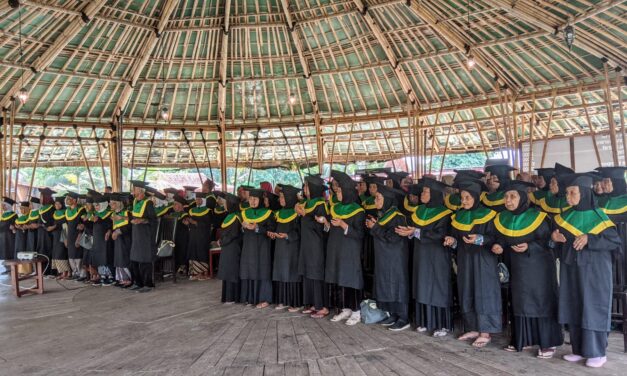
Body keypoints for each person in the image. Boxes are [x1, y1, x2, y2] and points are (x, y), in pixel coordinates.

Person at [551, 173, 622, 368]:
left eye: (572, 193)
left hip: (595, 272)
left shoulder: (599, 216)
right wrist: (555, 239)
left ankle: (597, 352)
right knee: (574, 305)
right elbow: (556, 242)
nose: (568, 197)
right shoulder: (566, 217)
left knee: (592, 307)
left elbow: (615, 242)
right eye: (567, 193)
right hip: (571, 270)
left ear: (583, 193)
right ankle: (579, 349)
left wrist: (590, 238)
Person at [492, 180, 563, 358]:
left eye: (512, 196)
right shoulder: (503, 218)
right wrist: (498, 246)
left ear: (523, 197)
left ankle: (547, 343)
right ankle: (523, 339)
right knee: (520, 302)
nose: (508, 200)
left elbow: (548, 242)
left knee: (540, 302)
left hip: (539, 268)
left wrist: (530, 247)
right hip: (517, 267)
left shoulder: (539, 216)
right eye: (506, 196)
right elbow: (500, 237)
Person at [444, 179, 501, 348]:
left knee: (483, 293)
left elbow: (497, 238)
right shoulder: (458, 215)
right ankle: (473, 328)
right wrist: (452, 241)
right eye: (462, 197)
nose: (464, 201)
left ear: (476, 197)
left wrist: (481, 239)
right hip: (464, 258)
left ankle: (485, 332)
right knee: (466, 290)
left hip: (483, 260)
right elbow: (456, 239)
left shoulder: (489, 215)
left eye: (467, 197)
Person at [397, 177, 454, 336]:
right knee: (422, 285)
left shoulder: (445, 214)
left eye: (426, 191)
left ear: (435, 194)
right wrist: (408, 232)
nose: (422, 194)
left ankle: (442, 324)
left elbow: (440, 235)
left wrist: (414, 232)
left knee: (437, 288)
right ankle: (424, 321)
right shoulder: (420, 211)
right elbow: (413, 230)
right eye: (423, 191)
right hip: (420, 254)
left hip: (437, 256)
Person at [323, 171, 365, 326]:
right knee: (338, 278)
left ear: (347, 192)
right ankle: (345, 308)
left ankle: (356, 311)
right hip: (335, 249)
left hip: (350, 251)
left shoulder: (358, 211)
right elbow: (330, 229)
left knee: (350, 279)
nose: (337, 193)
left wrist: (343, 225)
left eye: (340, 191)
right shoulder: (335, 208)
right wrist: (326, 224)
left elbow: (360, 234)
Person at [366, 183, 410, 331]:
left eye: (378, 197)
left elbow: (393, 238)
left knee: (397, 285)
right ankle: (393, 314)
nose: (375, 201)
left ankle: (403, 318)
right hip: (385, 257)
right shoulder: (384, 215)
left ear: (388, 200)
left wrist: (375, 227)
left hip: (395, 258)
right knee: (387, 285)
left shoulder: (397, 217)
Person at [296, 174, 330, 319]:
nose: (304, 188)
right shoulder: (307, 204)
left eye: (306, 186)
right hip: (306, 244)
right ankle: (311, 303)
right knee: (307, 273)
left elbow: (319, 226)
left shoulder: (321, 204)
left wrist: (305, 215)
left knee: (315, 274)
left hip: (316, 245)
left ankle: (321, 306)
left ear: (314, 188)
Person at [270, 184, 303, 311]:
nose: (280, 200)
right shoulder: (279, 213)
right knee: (281, 272)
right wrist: (272, 233)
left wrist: (288, 235)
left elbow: (299, 232)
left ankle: (295, 302)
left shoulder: (297, 212)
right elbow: (275, 227)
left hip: (292, 247)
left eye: (283, 197)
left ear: (290, 198)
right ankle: (283, 300)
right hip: (280, 246)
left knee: (291, 273)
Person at [240, 188, 274, 308]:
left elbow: (271, 230)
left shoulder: (268, 213)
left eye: (255, 199)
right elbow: (242, 231)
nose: (252, 201)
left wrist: (257, 228)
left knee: (262, 271)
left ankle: (264, 298)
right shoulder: (245, 213)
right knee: (249, 270)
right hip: (248, 247)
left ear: (260, 200)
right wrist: (243, 227)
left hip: (262, 247)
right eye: (250, 199)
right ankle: (250, 297)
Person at [129, 180, 158, 293]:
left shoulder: (148, 203)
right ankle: (138, 282)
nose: (133, 191)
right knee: (134, 259)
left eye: (134, 189)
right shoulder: (135, 202)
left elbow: (154, 220)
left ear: (140, 191)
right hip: (136, 235)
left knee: (145, 260)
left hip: (145, 236)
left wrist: (142, 220)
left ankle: (148, 284)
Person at [216, 192, 243, 304]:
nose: (225, 205)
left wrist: (222, 241)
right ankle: (227, 296)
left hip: (233, 248)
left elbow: (233, 234)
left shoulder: (236, 217)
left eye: (226, 203)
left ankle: (232, 297)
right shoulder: (229, 215)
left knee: (232, 272)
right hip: (227, 247)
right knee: (227, 271)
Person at [186, 192, 212, 280]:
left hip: (203, 236)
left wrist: (195, 222)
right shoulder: (192, 210)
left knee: (201, 252)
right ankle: (194, 273)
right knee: (192, 251)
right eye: (196, 199)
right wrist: (188, 223)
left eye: (200, 199)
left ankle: (203, 273)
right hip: (193, 235)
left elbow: (207, 224)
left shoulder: (208, 211)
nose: (197, 201)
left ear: (203, 200)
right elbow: (191, 223)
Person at [110, 193, 133, 288]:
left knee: (124, 258)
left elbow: (129, 226)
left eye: (113, 203)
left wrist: (119, 231)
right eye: (110, 203)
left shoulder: (126, 213)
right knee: (118, 258)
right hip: (118, 240)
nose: (111, 205)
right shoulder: (114, 214)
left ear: (119, 203)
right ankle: (121, 278)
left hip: (126, 239)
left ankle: (128, 279)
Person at [91, 193, 114, 286]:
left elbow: (111, 225)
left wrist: (109, 230)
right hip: (97, 240)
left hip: (106, 240)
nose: (96, 207)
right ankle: (102, 275)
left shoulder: (110, 214)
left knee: (106, 257)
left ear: (103, 204)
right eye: (95, 205)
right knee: (99, 258)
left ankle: (110, 276)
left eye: (98, 205)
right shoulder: (95, 215)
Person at [64, 192, 85, 280]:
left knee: (78, 254)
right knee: (71, 255)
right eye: (67, 198)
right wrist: (65, 238)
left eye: (69, 198)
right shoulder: (67, 211)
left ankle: (82, 274)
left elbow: (84, 225)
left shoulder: (81, 210)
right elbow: (64, 225)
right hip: (69, 236)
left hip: (78, 235)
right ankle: (75, 273)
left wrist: (79, 237)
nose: (67, 200)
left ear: (75, 200)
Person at [36, 188, 56, 276]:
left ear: (46, 197)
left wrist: (43, 226)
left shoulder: (52, 208)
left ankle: (50, 271)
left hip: (49, 234)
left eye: (41, 196)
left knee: (48, 250)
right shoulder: (42, 208)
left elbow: (53, 222)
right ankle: (42, 270)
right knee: (41, 250)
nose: (40, 198)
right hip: (41, 233)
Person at [50, 196, 70, 279]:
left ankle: (66, 272)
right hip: (55, 235)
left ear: (62, 204)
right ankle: (61, 272)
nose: (57, 205)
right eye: (55, 204)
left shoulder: (65, 212)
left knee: (61, 253)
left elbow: (65, 226)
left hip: (62, 235)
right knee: (56, 254)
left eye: (58, 203)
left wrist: (65, 239)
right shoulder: (55, 213)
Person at [0, 197, 17, 272]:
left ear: (8, 206)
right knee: (4, 252)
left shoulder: (14, 215)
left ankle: (12, 268)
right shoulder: (3, 215)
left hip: (10, 237)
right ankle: (7, 268)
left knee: (10, 251)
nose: (2, 207)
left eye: (4, 205)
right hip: (2, 237)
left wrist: (13, 227)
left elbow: (15, 225)